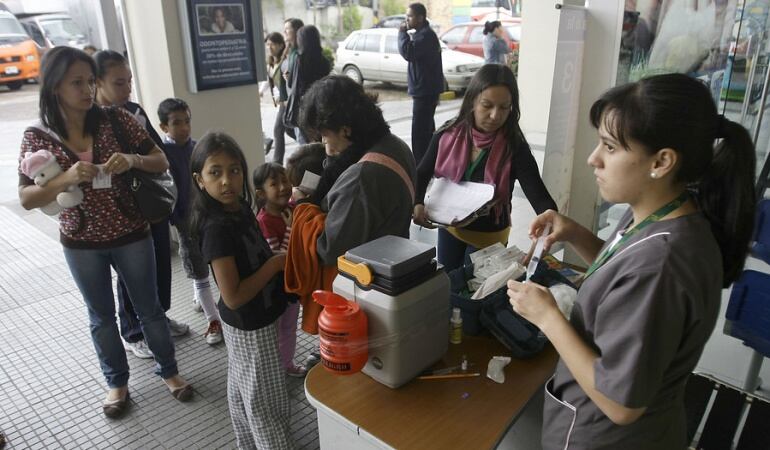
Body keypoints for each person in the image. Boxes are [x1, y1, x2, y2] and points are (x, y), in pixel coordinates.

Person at [507, 73, 756, 449]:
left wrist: (547, 317)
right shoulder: (658, 210)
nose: (594, 159)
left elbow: (622, 403)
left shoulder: (663, 265)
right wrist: (575, 234)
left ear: (661, 161)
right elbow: (620, 269)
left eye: (610, 147)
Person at [18, 47, 193, 419]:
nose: (87, 90)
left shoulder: (117, 119)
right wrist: (64, 178)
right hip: (80, 241)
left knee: (150, 308)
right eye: (76, 83)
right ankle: (117, 382)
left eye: (90, 81)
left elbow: (160, 160)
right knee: (100, 316)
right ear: (54, 87)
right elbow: (27, 198)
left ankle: (170, 371)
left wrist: (131, 160)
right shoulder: (38, 136)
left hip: (131, 231)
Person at [285, 75, 416, 337]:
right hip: (394, 268)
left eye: (323, 135)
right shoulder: (395, 145)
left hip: (366, 292)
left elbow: (328, 248)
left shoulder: (361, 178)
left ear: (345, 130)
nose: (323, 144)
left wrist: (303, 208)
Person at [190, 132, 293, 449]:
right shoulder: (217, 229)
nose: (227, 181)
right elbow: (233, 294)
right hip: (251, 322)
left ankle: (248, 444)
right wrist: (276, 265)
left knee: (243, 388)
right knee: (267, 404)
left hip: (246, 321)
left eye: (234, 170)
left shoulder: (239, 209)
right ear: (199, 180)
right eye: (215, 172)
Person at [413, 64, 556, 272]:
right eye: (487, 105)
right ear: (472, 101)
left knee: (476, 296)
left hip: (490, 237)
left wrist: (544, 235)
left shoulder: (514, 148)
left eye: (504, 107)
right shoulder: (448, 134)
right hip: (450, 228)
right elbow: (422, 172)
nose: (495, 115)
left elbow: (542, 200)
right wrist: (417, 202)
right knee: (447, 284)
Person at [93, 50, 189, 360]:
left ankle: (159, 317)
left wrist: (135, 160)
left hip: (150, 201)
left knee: (161, 261)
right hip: (119, 211)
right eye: (119, 83)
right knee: (129, 273)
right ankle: (134, 332)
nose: (128, 89)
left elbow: (159, 156)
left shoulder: (134, 112)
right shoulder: (89, 123)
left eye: (129, 81)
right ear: (98, 84)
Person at [157, 98, 222, 345]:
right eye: (176, 123)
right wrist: (174, 216)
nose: (184, 127)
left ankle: (200, 296)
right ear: (164, 127)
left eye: (187, 121)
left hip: (206, 214)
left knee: (210, 259)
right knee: (198, 266)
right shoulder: (163, 154)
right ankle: (212, 319)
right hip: (185, 220)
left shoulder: (198, 148)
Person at [253, 162, 307, 377]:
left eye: (284, 180)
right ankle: (274, 368)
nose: (283, 187)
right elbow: (278, 257)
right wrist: (290, 229)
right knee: (275, 330)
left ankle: (286, 364)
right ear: (261, 193)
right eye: (274, 183)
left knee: (289, 327)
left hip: (292, 284)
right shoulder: (264, 221)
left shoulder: (291, 207)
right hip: (276, 287)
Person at [398, 2, 443, 165]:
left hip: (424, 91)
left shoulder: (425, 36)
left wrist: (402, 33)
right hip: (426, 89)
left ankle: (419, 165)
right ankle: (429, 162)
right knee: (426, 129)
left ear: (420, 17)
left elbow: (408, 52)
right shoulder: (423, 34)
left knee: (419, 131)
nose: (407, 20)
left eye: (409, 16)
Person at [286, 25, 331, 145]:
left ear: (301, 40)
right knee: (319, 143)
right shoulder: (325, 61)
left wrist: (287, 77)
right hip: (319, 107)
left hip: (303, 109)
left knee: (304, 146)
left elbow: (291, 84)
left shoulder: (299, 60)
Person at [264, 32, 289, 163]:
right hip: (282, 103)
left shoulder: (285, 62)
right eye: (268, 44)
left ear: (280, 45)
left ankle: (277, 162)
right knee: (290, 130)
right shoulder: (270, 63)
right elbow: (269, 81)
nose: (269, 47)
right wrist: (261, 91)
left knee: (278, 129)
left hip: (288, 102)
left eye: (272, 44)